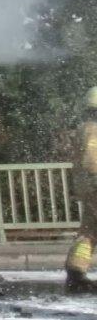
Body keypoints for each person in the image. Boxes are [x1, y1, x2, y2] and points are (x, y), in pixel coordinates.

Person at [65, 86, 97, 294]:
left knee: (90, 230)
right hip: (95, 184)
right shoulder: (93, 129)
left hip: (89, 187)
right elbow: (91, 160)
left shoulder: (85, 127)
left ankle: (76, 273)